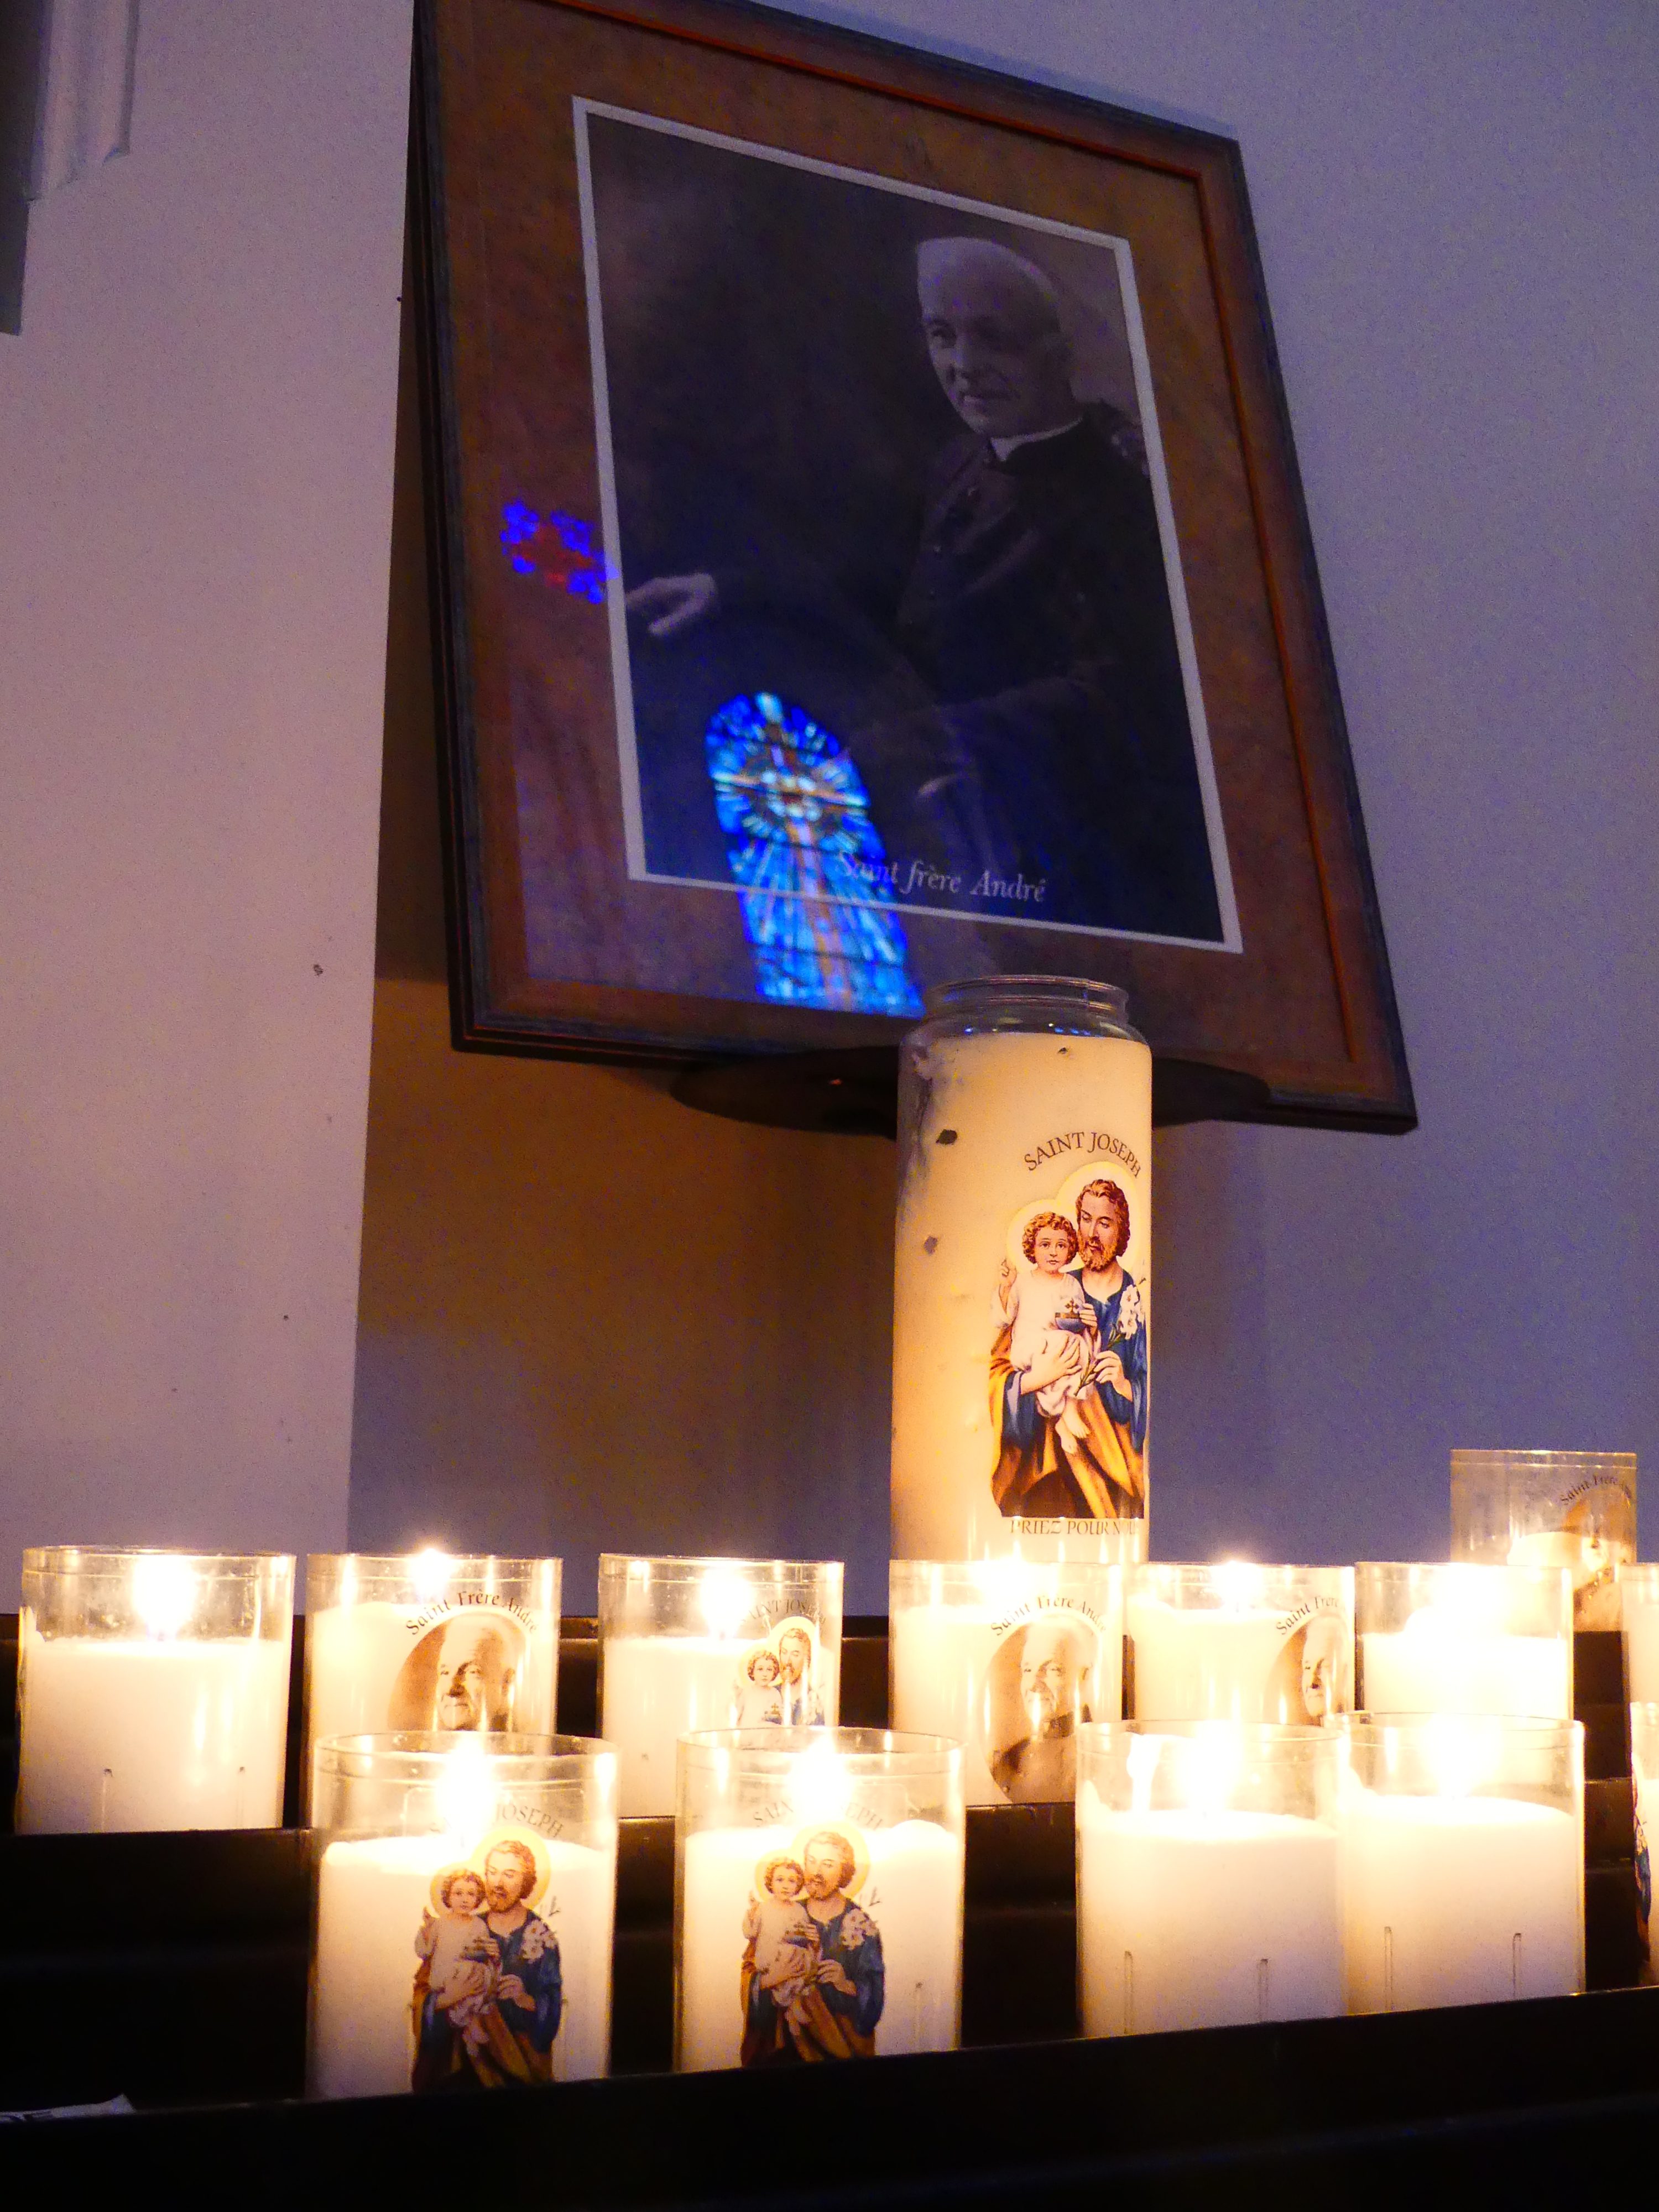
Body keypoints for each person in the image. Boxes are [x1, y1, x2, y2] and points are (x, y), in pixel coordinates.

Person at [623, 234, 1220, 943]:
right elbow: (890, 585)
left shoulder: (1119, 500)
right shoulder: (960, 460)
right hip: (943, 806)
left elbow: (1118, 697)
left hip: (1059, 847)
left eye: (995, 338)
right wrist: (726, 590)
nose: (964, 366)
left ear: (1058, 351)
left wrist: (937, 737)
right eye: (943, 335)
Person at [990, 1177, 1147, 1524]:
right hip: (1049, 1464)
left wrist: (1123, 1384)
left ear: (1121, 1231)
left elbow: (1153, 1386)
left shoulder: (1134, 1299)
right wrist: (1037, 1380)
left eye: (1104, 1223)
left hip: (1116, 1458)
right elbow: (1000, 1369)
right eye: (1086, 1220)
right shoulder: (1055, 1284)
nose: (1092, 1233)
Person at [412, 1839, 562, 2090]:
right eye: (492, 1873)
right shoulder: (462, 1927)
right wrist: (450, 1998)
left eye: (509, 1875)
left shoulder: (540, 1936)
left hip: (516, 2068)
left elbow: (552, 2009)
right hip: (458, 2069)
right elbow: (422, 1993)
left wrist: (525, 1999)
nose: (497, 1883)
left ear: (526, 1882)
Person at [740, 1830, 885, 2065]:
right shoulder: (782, 1912)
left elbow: (874, 2000)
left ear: (844, 1871)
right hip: (784, 2052)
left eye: (827, 1864)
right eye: (811, 1861)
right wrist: (772, 1979)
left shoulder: (859, 1925)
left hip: (839, 2052)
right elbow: (750, 1970)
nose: (816, 1872)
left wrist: (845, 1984)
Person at [997, 1212, 1095, 1426]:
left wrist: (1088, 1323)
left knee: (1079, 1345)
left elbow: (1077, 1319)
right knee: (1063, 1344)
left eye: (1061, 1245)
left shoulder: (1071, 1284)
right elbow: (1003, 1319)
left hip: (1059, 1346)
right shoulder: (1022, 1282)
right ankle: (1056, 1411)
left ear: (1070, 1249)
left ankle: (1070, 1407)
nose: (1053, 1252)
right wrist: (1006, 1287)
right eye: (1045, 1245)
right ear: (1032, 1248)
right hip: (1029, 1348)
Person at [989, 1620, 1093, 1803]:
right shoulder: (1009, 1762)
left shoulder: (1097, 1759)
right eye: (1028, 1670)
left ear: (1083, 1677)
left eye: (1052, 1669)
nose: (1032, 1684)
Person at [740, 1855, 820, 2020]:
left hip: (791, 1956)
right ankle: (788, 2005)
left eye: (792, 1881)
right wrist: (752, 1914)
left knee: (803, 1958)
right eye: (780, 1880)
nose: (786, 1886)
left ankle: (795, 2006)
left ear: (798, 1885)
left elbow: (803, 1934)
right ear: (770, 1883)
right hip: (770, 1958)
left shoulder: (799, 1910)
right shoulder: (764, 1908)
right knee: (788, 1957)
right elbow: (750, 1933)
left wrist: (810, 1937)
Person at [776, 1624, 823, 1725]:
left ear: (807, 1660)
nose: (787, 1661)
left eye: (795, 1655)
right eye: (784, 1652)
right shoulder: (770, 1693)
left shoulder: (814, 1702)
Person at [735, 1645, 786, 1726]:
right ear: (753, 1671)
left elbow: (777, 1716)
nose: (765, 1674)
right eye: (760, 1669)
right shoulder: (747, 1692)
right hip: (748, 1731)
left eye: (769, 1669)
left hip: (766, 1731)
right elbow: (737, 1716)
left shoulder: (775, 1693)